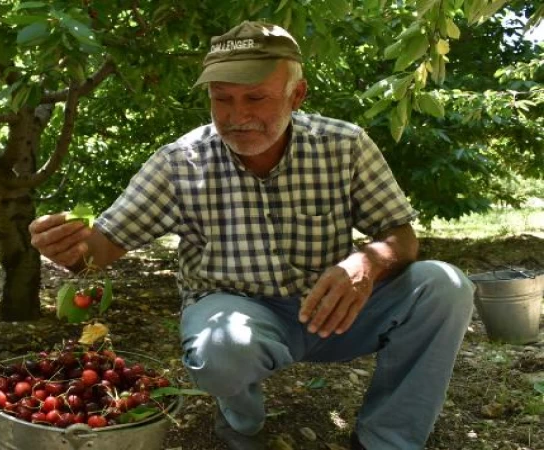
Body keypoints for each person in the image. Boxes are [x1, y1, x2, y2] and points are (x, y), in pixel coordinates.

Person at [29, 20, 475, 450]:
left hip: (334, 307)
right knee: (222, 349)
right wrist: (68, 245)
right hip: (234, 311)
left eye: (256, 98)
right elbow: (102, 246)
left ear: (296, 94)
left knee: (443, 286)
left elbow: (400, 234)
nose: (237, 116)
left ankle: (388, 437)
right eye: (222, 99)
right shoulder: (179, 163)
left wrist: (368, 262)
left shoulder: (345, 145)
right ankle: (241, 421)